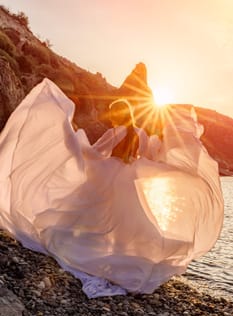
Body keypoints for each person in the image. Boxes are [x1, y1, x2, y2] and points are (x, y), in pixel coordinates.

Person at [0, 78, 224, 298]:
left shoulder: (116, 133)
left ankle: (89, 256)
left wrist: (75, 142)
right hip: (128, 185)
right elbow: (147, 157)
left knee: (92, 219)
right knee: (122, 227)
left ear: (119, 115)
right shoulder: (139, 133)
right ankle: (114, 261)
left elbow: (97, 154)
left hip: (107, 177)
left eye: (113, 113)